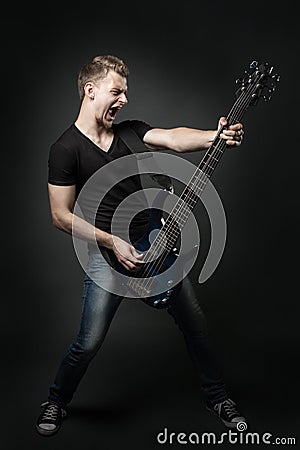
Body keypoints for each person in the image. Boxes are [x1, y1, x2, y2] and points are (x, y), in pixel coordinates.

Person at [36, 55, 246, 437]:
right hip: (106, 255)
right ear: (91, 90)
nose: (124, 100)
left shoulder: (130, 132)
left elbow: (171, 138)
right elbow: (60, 215)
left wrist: (213, 136)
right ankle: (56, 401)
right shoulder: (65, 149)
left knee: (195, 326)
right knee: (88, 342)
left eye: (126, 93)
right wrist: (110, 241)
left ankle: (218, 397)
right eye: (117, 91)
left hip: (156, 243)